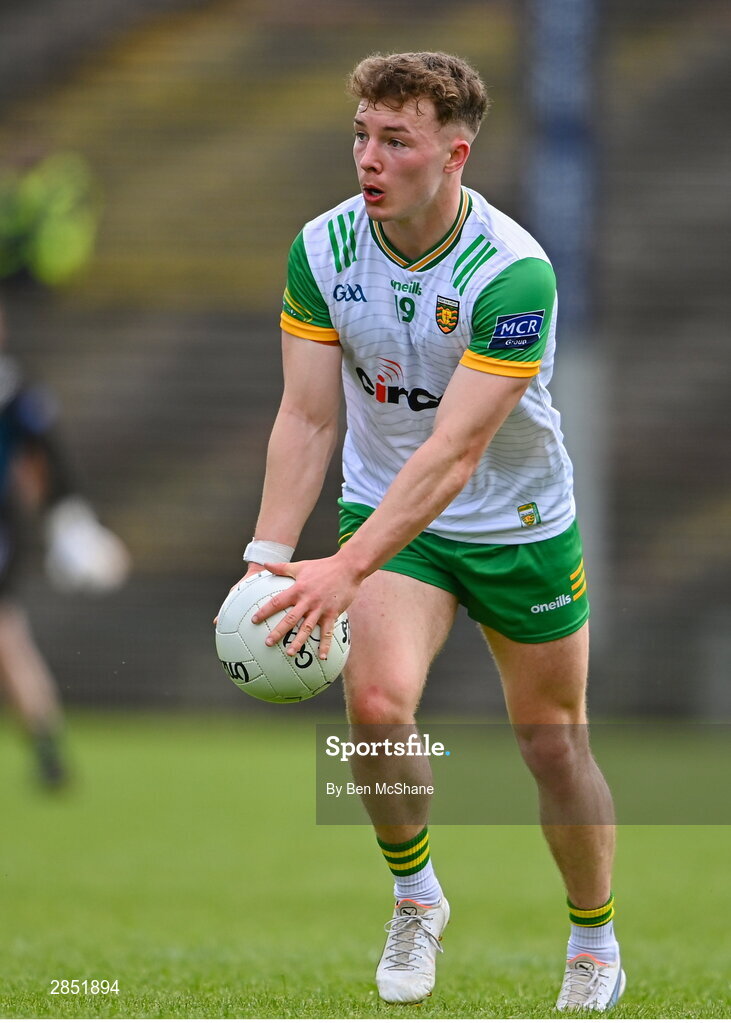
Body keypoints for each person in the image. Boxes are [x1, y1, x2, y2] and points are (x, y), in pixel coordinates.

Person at [233, 52, 624, 1011]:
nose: (368, 157)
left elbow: (454, 454)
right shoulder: (321, 250)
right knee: (374, 707)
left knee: (550, 743)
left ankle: (592, 937)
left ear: (452, 156)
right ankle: (415, 895)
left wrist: (341, 572)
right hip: (391, 518)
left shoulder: (514, 273)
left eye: (393, 140)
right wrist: (268, 564)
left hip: (517, 522)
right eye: (360, 134)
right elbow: (309, 418)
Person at [0, 303, 129, 787]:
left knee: (5, 634)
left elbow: (44, 460)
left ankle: (47, 749)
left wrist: (67, 522)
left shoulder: (12, 389)